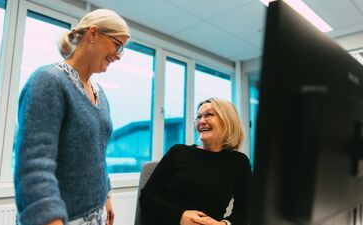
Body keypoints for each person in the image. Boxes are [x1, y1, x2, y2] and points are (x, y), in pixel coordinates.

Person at [14, 9, 130, 225]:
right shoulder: (48, 81)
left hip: (96, 215)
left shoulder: (100, 93)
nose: (119, 55)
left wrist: (106, 194)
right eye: (118, 45)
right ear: (93, 34)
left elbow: (96, 155)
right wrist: (49, 218)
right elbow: (34, 164)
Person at [139, 98, 251, 225]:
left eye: (209, 115)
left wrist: (224, 224)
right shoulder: (179, 152)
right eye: (198, 117)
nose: (201, 121)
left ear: (227, 120)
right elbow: (147, 197)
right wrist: (180, 216)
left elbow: (245, 210)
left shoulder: (239, 162)